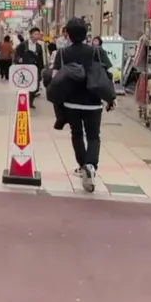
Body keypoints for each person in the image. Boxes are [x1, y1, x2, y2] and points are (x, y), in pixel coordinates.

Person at [49, 17, 114, 193]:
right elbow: (109, 75)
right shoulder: (97, 52)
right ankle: (91, 165)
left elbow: (55, 78)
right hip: (94, 102)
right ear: (86, 34)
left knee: (77, 134)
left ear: (68, 35)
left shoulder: (63, 53)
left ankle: (83, 166)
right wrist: (110, 98)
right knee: (93, 136)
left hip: (71, 103)